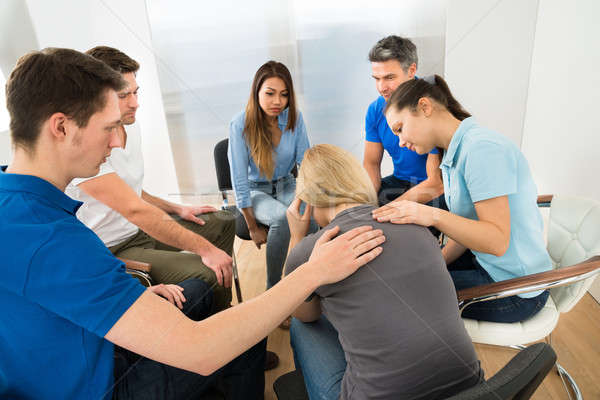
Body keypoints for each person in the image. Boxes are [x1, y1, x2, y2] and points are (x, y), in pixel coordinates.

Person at [0, 48, 385, 399]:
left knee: (198, 295)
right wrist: (313, 272)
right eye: (108, 128)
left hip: (78, 343)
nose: (118, 142)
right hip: (100, 386)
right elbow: (200, 351)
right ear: (61, 127)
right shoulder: (50, 238)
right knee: (240, 340)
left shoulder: (18, 203)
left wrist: (127, 292)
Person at [284, 144, 482, 400]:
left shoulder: (311, 249)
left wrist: (296, 238)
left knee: (303, 326)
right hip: (472, 389)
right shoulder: (417, 225)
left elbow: (302, 313)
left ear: (309, 200)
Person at [64, 46, 234, 311]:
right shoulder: (83, 146)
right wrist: (206, 251)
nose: (135, 103)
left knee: (224, 221)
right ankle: (223, 334)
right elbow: (134, 208)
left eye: (136, 91)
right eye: (124, 95)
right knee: (207, 271)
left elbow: (133, 192)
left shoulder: (132, 125)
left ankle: (220, 312)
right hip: (115, 249)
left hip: (140, 231)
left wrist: (179, 208)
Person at [373, 74, 552, 323]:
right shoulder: (453, 155)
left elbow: (497, 241)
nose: (401, 142)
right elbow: (468, 227)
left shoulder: (481, 149)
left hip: (518, 288)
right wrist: (439, 261)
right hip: (487, 265)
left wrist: (430, 214)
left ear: (425, 107)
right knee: (410, 271)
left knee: (395, 297)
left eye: (400, 129)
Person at [229, 60, 314, 290]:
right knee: (281, 219)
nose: (278, 102)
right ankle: (275, 289)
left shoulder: (294, 118)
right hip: (256, 190)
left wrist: (304, 198)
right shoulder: (240, 125)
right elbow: (238, 181)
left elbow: (305, 163)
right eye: (270, 93)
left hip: (287, 184)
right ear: (257, 91)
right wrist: (252, 227)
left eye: (284, 95)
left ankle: (310, 283)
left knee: (313, 217)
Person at [364, 35, 445, 207]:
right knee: (348, 208)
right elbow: (371, 163)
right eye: (377, 79)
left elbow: (436, 183)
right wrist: (368, 204)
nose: (381, 88)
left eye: (389, 78)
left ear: (411, 70)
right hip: (399, 182)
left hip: (433, 189)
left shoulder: (431, 106)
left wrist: (387, 210)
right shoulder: (375, 110)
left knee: (397, 228)